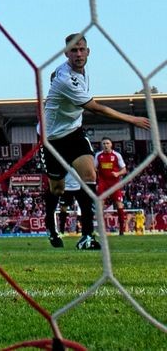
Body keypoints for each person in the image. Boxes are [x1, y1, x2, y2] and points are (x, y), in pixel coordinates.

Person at [41, 34, 150, 250]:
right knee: (57, 190)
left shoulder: (76, 70)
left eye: (82, 49)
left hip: (74, 133)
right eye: (74, 50)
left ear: (88, 51)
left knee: (90, 175)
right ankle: (50, 228)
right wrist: (132, 119)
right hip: (52, 138)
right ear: (66, 54)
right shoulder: (65, 79)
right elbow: (96, 108)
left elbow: (53, 74)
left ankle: (87, 236)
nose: (78, 54)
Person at [94, 138, 127, 236]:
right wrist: (96, 181)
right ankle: (101, 229)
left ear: (111, 144)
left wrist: (118, 173)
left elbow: (124, 170)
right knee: (100, 205)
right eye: (103, 143)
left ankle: (121, 230)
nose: (105, 145)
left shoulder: (117, 155)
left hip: (114, 183)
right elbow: (94, 168)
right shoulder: (98, 155)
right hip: (103, 183)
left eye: (107, 143)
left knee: (119, 205)